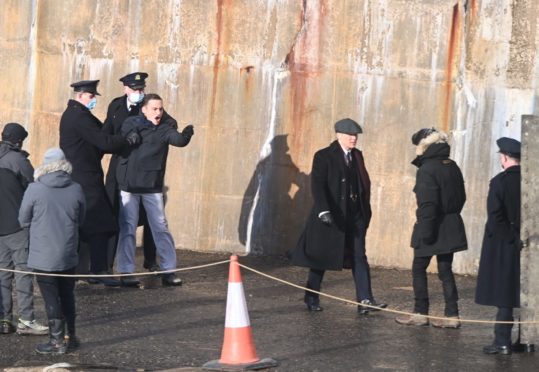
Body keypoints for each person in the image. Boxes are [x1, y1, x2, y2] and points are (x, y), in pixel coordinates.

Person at [289, 118, 386, 314]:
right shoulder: (324, 156)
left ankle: (365, 300)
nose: (353, 138)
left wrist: (364, 212)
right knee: (321, 258)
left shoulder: (357, 156)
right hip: (332, 217)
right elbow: (318, 185)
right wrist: (323, 210)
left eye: (355, 135)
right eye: (350, 135)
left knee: (360, 256)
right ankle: (311, 297)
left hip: (355, 216)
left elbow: (361, 184)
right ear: (339, 135)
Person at [59, 80, 139, 287]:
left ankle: (83, 269)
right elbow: (103, 141)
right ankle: (98, 269)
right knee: (102, 224)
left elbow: (100, 138)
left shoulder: (76, 115)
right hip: (85, 177)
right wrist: (127, 140)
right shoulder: (79, 117)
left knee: (87, 225)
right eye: (91, 96)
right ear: (80, 96)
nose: (93, 100)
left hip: (83, 175)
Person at [115, 93, 193, 287]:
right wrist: (131, 135)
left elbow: (179, 140)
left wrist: (186, 134)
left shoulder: (165, 128)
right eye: (154, 109)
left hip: (152, 186)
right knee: (128, 228)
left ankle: (169, 270)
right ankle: (126, 271)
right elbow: (124, 131)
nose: (158, 112)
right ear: (144, 109)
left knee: (160, 227)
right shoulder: (132, 123)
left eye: (160, 109)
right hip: (130, 186)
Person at [103, 72, 177, 273]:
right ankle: (111, 264)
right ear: (126, 89)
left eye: (141, 89)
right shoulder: (116, 106)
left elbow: (169, 124)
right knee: (120, 218)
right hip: (121, 166)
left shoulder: (150, 105)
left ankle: (152, 261)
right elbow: (107, 132)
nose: (138, 92)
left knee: (155, 221)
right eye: (135, 89)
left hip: (145, 172)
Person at [395, 128, 467, 328]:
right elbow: (461, 197)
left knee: (418, 268)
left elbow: (428, 204)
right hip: (451, 224)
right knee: (445, 270)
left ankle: (420, 313)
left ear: (423, 147)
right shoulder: (452, 165)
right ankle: (452, 316)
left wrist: (425, 232)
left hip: (432, 225)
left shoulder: (427, 169)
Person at [19, 148, 86, 354]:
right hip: (68, 252)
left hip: (43, 254)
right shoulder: (76, 188)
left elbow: (23, 219)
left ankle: (56, 342)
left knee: (50, 297)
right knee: (67, 295)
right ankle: (70, 336)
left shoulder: (35, 189)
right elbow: (81, 219)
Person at [0, 123, 48, 336]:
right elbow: (33, 189)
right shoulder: (19, 161)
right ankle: (26, 319)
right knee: (23, 272)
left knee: (3, 273)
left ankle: (3, 319)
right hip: (17, 227)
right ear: (19, 141)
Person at [475, 137, 521, 355]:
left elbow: (495, 217)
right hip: (527, 241)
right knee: (523, 291)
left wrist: (509, 238)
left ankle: (502, 341)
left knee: (505, 293)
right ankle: (524, 339)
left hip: (506, 244)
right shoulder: (531, 180)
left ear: (504, 157)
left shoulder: (500, 182)